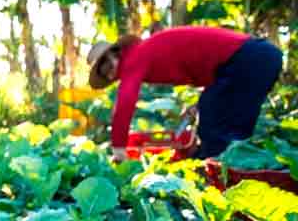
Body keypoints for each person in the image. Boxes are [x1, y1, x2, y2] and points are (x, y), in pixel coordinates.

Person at [87, 26, 283, 161]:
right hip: (259, 58)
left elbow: (125, 103)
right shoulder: (144, 53)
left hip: (251, 58)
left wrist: (119, 150)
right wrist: (199, 105)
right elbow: (217, 72)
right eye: (105, 74)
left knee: (214, 130)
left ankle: (215, 180)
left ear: (116, 53)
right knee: (234, 133)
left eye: (107, 65)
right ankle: (238, 178)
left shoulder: (135, 57)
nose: (110, 73)